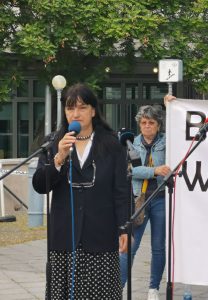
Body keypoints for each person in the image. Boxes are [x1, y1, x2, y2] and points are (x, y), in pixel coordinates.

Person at [32, 83, 128, 300]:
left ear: (93, 110)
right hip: (64, 236)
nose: (75, 113)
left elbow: (121, 191)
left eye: (82, 107)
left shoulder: (112, 144)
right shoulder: (53, 143)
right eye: (70, 108)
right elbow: (40, 185)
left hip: (101, 234)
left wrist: (124, 228)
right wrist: (58, 158)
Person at [120, 103, 172, 300]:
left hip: (160, 199)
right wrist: (155, 171)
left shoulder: (167, 143)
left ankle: (153, 288)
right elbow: (131, 171)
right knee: (129, 246)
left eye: (151, 122)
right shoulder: (131, 144)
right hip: (138, 200)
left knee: (158, 247)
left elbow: (170, 169)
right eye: (144, 122)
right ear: (139, 124)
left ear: (158, 125)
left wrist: (170, 104)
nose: (147, 126)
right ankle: (119, 287)